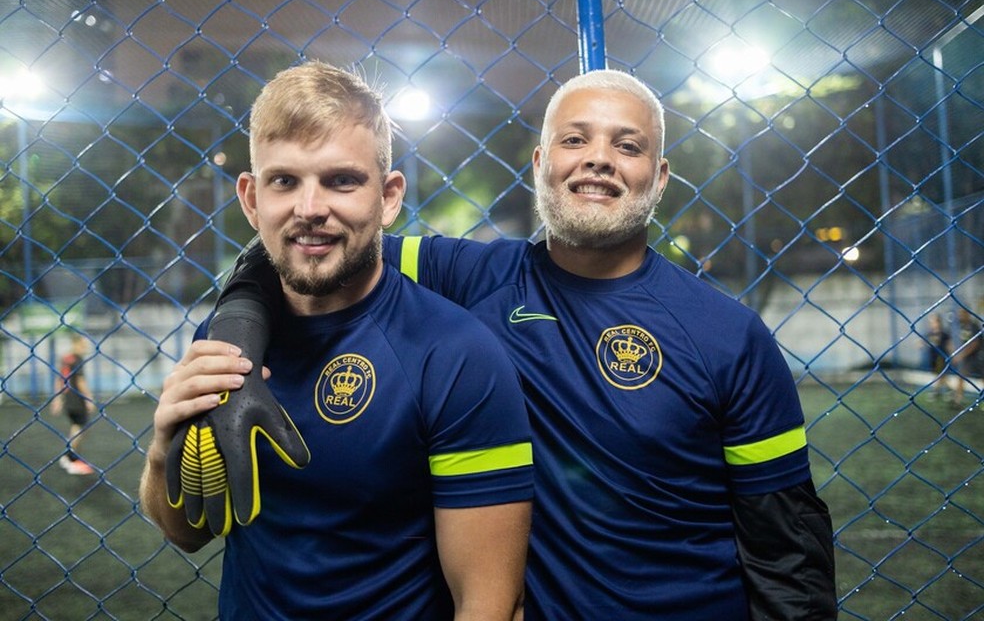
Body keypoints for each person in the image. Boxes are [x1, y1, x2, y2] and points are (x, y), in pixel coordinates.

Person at [213, 69, 838, 619]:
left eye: (628, 145)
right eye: (574, 139)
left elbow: (788, 550)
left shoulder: (728, 334)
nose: (598, 159)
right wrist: (239, 327)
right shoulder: (472, 276)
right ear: (540, 164)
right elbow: (301, 247)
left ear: (660, 176)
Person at [139, 61, 534, 620]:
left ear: (389, 196)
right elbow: (188, 533)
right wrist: (163, 449)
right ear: (252, 199)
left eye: (341, 180)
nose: (309, 209)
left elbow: (490, 601)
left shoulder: (455, 355)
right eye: (285, 181)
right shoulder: (225, 343)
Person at [51, 333, 97, 475]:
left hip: (67, 398)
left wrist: (57, 398)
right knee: (80, 427)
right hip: (77, 399)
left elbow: (59, 379)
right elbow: (80, 381)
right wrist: (89, 399)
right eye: (84, 344)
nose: (86, 347)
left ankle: (71, 457)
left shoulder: (66, 358)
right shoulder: (77, 359)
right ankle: (70, 458)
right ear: (76, 344)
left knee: (77, 427)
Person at [951, 307, 982, 405]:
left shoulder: (973, 326)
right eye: (960, 314)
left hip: (978, 356)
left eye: (963, 313)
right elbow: (953, 341)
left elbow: (975, 343)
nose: (961, 316)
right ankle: (957, 400)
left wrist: (961, 355)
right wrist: (955, 354)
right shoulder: (960, 326)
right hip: (966, 357)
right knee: (961, 376)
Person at [924, 313, 951, 399]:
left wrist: (952, 354)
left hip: (941, 357)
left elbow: (949, 345)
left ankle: (936, 391)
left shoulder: (944, 333)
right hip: (933, 357)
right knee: (940, 375)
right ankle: (948, 390)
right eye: (931, 322)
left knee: (940, 375)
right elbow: (925, 342)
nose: (933, 324)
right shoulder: (930, 333)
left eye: (935, 322)